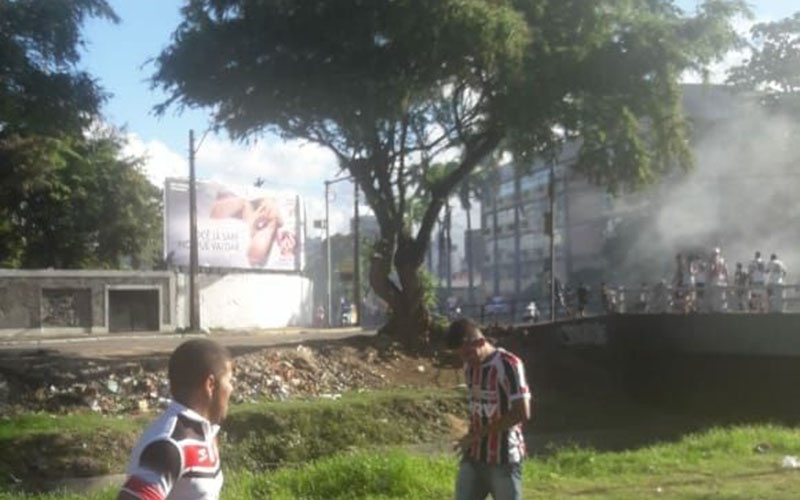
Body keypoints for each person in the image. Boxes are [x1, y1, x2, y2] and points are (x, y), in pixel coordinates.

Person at [118, 339, 234, 500]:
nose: (231, 389)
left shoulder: (204, 434)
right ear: (210, 385)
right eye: (229, 381)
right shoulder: (170, 444)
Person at [447, 319, 531, 500]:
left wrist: (478, 434)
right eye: (461, 355)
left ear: (480, 342)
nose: (466, 360)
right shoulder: (469, 366)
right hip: (474, 455)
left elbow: (522, 412)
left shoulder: (509, 365)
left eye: (468, 354)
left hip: (503, 459)